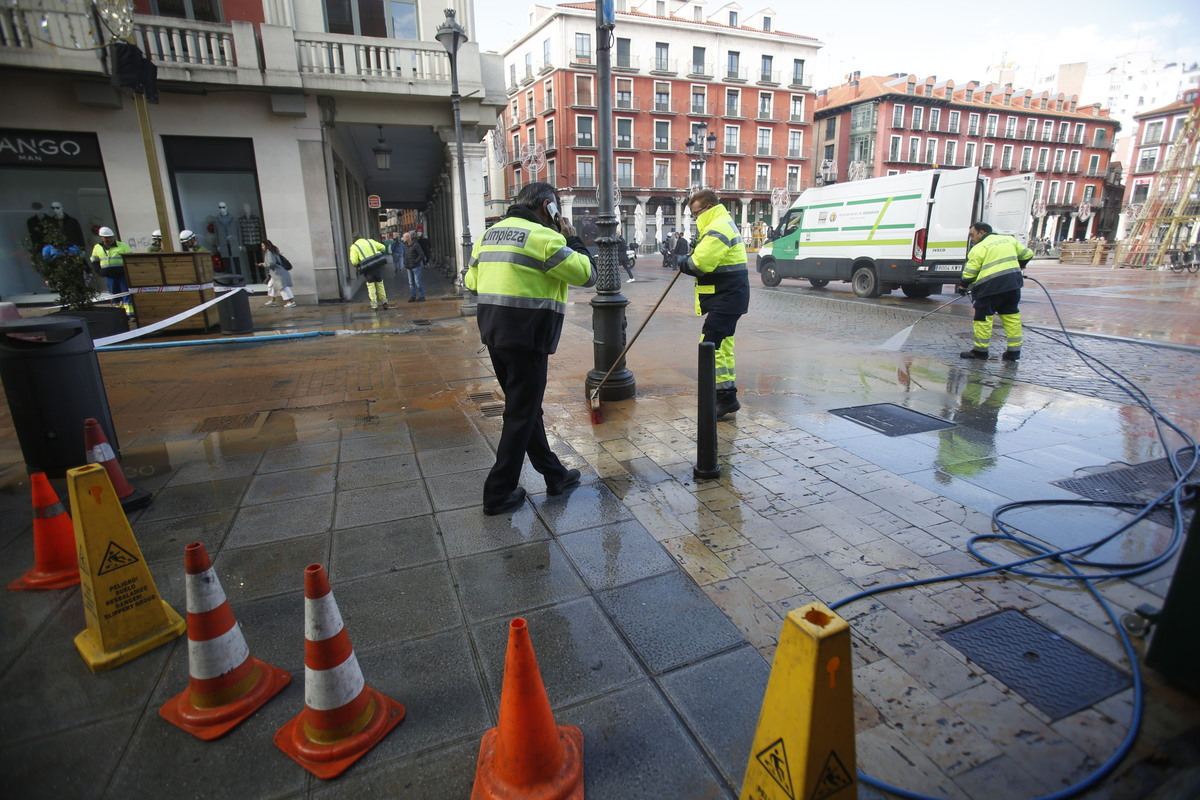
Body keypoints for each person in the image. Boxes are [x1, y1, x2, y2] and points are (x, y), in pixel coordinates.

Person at [464, 181, 596, 516]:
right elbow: (587, 274)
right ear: (548, 206)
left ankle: (555, 475)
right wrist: (572, 237)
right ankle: (498, 492)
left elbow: (471, 282)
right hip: (527, 337)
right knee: (520, 413)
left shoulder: (488, 234)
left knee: (525, 407)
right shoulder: (544, 238)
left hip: (494, 332)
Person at [677, 189, 750, 418]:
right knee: (723, 348)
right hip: (729, 297)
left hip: (727, 298)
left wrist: (682, 261)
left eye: (696, 213)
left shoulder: (718, 227)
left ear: (708, 208)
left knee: (710, 346)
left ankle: (722, 399)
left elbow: (700, 265)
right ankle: (726, 397)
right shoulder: (718, 225)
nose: (695, 218)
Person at [959, 222, 1034, 362]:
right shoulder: (1009, 240)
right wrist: (1020, 266)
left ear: (982, 233)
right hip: (1012, 287)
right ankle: (1013, 352)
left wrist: (963, 286)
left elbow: (969, 273)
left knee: (983, 319)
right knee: (1011, 317)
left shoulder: (979, 248)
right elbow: (1028, 254)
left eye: (972, 235)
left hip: (990, 289)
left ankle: (980, 351)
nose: (971, 239)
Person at [90, 226, 134, 318]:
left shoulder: (122, 246)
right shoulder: (97, 247)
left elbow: (131, 259)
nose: (109, 239)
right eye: (106, 238)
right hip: (109, 277)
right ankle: (118, 316)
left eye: (110, 237)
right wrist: (100, 272)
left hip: (122, 275)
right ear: (101, 238)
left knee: (126, 294)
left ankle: (130, 315)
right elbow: (94, 261)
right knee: (114, 296)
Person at [349, 232, 389, 310]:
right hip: (376, 266)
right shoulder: (370, 241)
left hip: (367, 269)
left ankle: (374, 305)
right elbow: (383, 247)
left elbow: (354, 261)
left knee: (371, 286)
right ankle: (384, 302)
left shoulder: (354, 247)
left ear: (353, 240)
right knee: (380, 283)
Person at [259, 240, 296, 308]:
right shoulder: (273, 251)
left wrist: (263, 264)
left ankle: (291, 302)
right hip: (275, 273)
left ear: (267, 245)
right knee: (271, 285)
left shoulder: (269, 252)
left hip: (277, 273)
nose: (262, 247)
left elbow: (271, 263)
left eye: (263, 245)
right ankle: (273, 301)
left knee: (283, 287)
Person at [401, 230, 427, 302]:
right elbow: (405, 255)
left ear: (408, 238)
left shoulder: (415, 245)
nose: (403, 239)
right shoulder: (405, 246)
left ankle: (422, 296)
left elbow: (421, 254)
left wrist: (415, 262)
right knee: (411, 283)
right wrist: (405, 262)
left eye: (404, 237)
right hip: (408, 267)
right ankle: (413, 296)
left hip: (416, 267)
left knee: (418, 282)